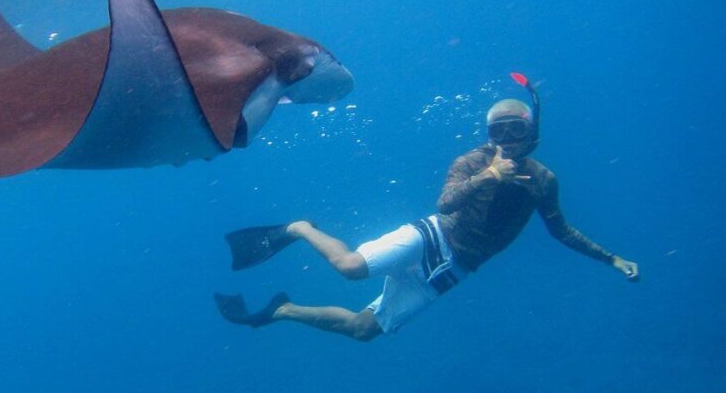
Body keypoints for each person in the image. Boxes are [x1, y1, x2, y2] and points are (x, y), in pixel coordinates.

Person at [215, 76, 639, 342]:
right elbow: (445, 203)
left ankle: (283, 310)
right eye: (499, 131)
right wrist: (489, 177)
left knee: (364, 331)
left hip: (458, 268)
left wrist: (611, 258)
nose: (508, 140)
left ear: (532, 132)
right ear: (489, 135)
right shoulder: (472, 161)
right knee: (348, 268)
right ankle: (300, 228)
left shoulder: (543, 181)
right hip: (430, 237)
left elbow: (561, 230)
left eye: (516, 130)